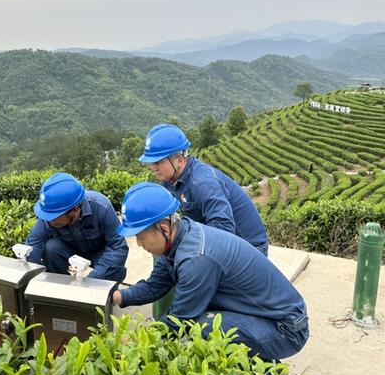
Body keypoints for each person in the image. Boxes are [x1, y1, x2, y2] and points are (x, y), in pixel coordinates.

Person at [113, 182, 308, 361]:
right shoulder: (179, 237)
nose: (139, 244)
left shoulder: (196, 259)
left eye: (140, 236)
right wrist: (120, 296)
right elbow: (156, 285)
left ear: (164, 228)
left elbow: (179, 319)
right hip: (263, 315)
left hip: (285, 329)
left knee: (203, 325)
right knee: (199, 319)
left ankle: (262, 369)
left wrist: (138, 341)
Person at [140, 123, 268, 255]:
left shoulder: (203, 183)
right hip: (220, 240)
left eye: (157, 162)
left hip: (248, 249)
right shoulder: (170, 180)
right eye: (150, 163)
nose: (153, 168)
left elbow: (224, 228)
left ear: (179, 159)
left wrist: (185, 242)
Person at [25, 172, 128, 282]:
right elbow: (34, 244)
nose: (47, 220)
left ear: (74, 211)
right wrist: (28, 279)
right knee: (51, 248)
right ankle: (62, 289)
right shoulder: (49, 213)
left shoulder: (101, 207)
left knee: (114, 267)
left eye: (53, 217)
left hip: (99, 254)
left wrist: (93, 278)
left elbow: (118, 247)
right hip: (71, 252)